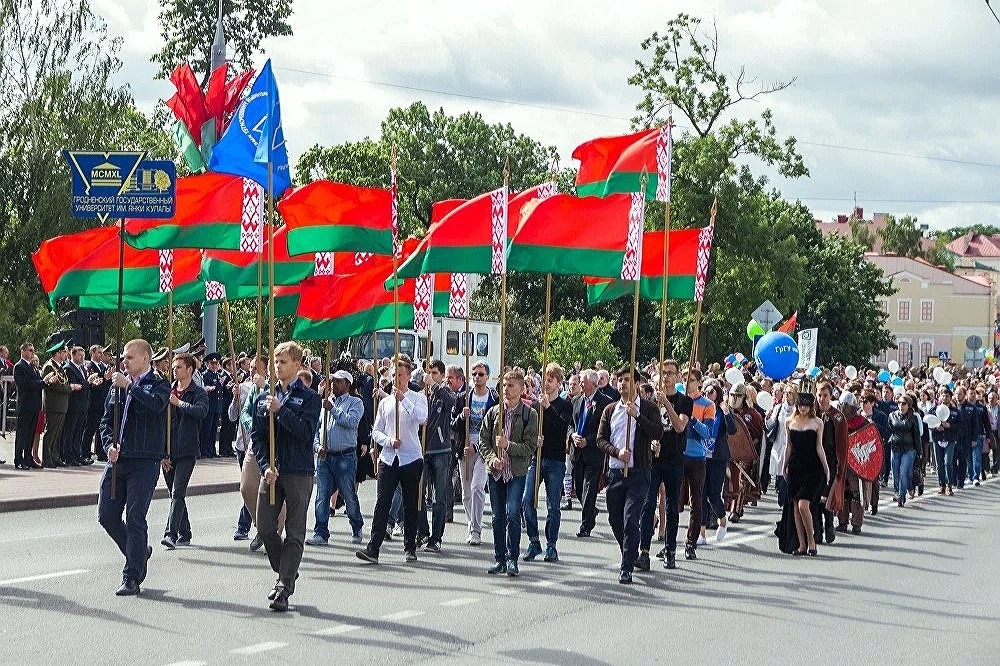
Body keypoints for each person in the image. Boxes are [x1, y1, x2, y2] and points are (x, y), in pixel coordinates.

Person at [251, 341, 321, 612]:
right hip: (272, 472)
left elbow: (305, 432)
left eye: (282, 362)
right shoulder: (263, 398)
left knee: (294, 531)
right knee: (266, 527)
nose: (277, 367)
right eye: (274, 363)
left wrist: (282, 411)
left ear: (297, 364)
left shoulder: (309, 398)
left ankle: (284, 587)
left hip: (298, 471)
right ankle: (287, 570)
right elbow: (257, 437)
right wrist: (265, 464)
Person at [97, 338, 170, 595]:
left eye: (129, 357)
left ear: (145, 360)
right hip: (118, 459)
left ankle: (132, 576)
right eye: (123, 357)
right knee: (106, 515)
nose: (124, 361)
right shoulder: (117, 385)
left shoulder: (159, 384)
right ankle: (138, 551)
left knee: (135, 517)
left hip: (144, 460)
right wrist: (108, 446)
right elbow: (106, 422)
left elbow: (156, 405)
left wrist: (130, 387)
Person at [356, 355, 428, 565]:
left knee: (410, 504)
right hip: (389, 458)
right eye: (395, 374)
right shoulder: (384, 402)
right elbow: (376, 431)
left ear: (408, 376)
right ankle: (373, 548)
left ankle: (409, 548)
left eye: (402, 375)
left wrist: (403, 400)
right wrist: (387, 440)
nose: (397, 378)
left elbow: (421, 418)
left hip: (411, 458)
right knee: (382, 502)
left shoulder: (417, 397)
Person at [597, 366, 662, 584]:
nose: (622, 383)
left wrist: (638, 416)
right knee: (615, 519)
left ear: (635, 382)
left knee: (631, 519)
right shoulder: (610, 410)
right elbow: (600, 439)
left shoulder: (649, 408)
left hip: (639, 472)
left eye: (627, 380)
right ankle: (631, 552)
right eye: (620, 380)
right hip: (616, 472)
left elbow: (658, 432)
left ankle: (626, 568)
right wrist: (617, 452)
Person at [478, 368, 539, 577]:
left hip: (516, 472)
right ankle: (500, 558)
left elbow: (530, 446)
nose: (506, 389)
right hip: (495, 472)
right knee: (497, 517)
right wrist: (491, 458)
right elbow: (483, 441)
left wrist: (508, 445)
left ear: (521, 389)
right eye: (504, 385)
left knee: (513, 512)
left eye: (511, 385)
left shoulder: (529, 414)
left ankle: (513, 558)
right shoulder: (494, 412)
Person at [638, 359, 691, 571]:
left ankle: (670, 550)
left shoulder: (684, 401)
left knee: (671, 506)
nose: (667, 377)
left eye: (671, 373)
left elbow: (679, 426)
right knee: (648, 503)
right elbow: (647, 428)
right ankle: (643, 551)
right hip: (654, 460)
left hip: (674, 459)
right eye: (664, 373)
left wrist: (667, 403)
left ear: (677, 376)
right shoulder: (651, 403)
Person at [307, 369, 365, 547]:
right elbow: (316, 429)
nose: (334, 384)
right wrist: (317, 447)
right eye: (333, 381)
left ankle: (357, 526)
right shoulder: (326, 402)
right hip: (325, 457)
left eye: (339, 381)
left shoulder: (356, 402)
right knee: (322, 496)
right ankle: (321, 532)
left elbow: (351, 422)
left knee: (348, 494)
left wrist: (333, 410)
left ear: (348, 384)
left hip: (345, 457)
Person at [522, 362, 573, 563]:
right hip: (537, 458)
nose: (547, 384)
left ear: (559, 383)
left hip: (556, 460)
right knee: (527, 500)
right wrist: (534, 439)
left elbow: (562, 427)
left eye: (551, 380)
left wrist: (548, 407)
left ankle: (552, 545)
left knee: (553, 505)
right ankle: (534, 541)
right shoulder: (535, 406)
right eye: (545, 380)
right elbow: (529, 431)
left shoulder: (565, 404)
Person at [160, 352, 209, 549]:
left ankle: (170, 534)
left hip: (187, 450)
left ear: (190, 369)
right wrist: (162, 453)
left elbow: (201, 412)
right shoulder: (168, 390)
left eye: (179, 367)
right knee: (174, 493)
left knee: (178, 492)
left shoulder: (198, 393)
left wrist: (178, 403)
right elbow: (160, 422)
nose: (174, 370)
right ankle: (185, 531)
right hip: (169, 451)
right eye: (173, 367)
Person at [777, 388, 830, 556]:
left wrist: (826, 468)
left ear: (811, 406)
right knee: (795, 506)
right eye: (801, 405)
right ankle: (801, 545)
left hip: (812, 467)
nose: (803, 409)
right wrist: (783, 466)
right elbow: (788, 446)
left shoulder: (817, 422)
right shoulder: (789, 422)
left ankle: (812, 541)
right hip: (795, 467)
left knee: (803, 505)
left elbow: (819, 447)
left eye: (807, 406)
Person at [451, 361, 497, 546]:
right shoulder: (463, 397)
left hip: (484, 450)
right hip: (465, 449)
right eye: (474, 374)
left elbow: (497, 428)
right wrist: (463, 416)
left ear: (487, 377)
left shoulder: (494, 399)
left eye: (481, 374)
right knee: (466, 493)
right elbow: (453, 424)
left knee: (478, 487)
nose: (477, 378)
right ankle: (472, 522)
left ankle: (476, 530)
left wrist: (477, 446)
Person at [416, 360, 456, 552]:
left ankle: (436, 537)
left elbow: (452, 401)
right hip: (423, 451)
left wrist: (434, 385)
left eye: (434, 373)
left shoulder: (444, 392)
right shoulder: (422, 394)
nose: (430, 376)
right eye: (428, 372)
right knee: (418, 494)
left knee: (439, 497)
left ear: (440, 375)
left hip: (441, 451)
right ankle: (422, 532)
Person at [570, 369, 613, 538]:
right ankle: (591, 511)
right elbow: (570, 424)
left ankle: (585, 526)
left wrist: (588, 440)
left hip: (594, 453)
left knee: (589, 488)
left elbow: (604, 430)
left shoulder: (605, 403)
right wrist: (572, 435)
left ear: (594, 384)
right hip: (577, 452)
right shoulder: (576, 401)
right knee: (580, 488)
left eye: (583, 381)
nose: (580, 384)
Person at [681, 369, 714, 561]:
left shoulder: (707, 405)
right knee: (672, 501)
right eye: (685, 379)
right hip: (678, 454)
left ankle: (690, 543)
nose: (687, 383)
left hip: (697, 456)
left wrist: (692, 418)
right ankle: (669, 541)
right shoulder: (678, 399)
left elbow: (707, 432)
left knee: (696, 501)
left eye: (691, 380)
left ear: (698, 382)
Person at [700, 383, 736, 545]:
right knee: (701, 494)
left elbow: (732, 430)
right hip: (701, 455)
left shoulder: (722, 410)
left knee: (713, 495)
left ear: (718, 393)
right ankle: (701, 533)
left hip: (718, 456)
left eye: (711, 391)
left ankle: (722, 519)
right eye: (705, 391)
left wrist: (727, 413)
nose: (708, 394)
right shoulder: (701, 407)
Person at [813, 381, 847, 545]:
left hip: (831, 462)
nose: (822, 399)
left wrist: (840, 469)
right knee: (814, 497)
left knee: (825, 497)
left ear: (831, 395)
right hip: (814, 462)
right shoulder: (813, 414)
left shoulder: (838, 417)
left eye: (825, 395)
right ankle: (817, 530)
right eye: (819, 395)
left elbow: (841, 445)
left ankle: (829, 526)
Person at [12, 342, 44, 469]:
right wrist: (42, 382)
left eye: (33, 350)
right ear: (23, 351)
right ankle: (18, 459)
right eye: (30, 350)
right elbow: (25, 384)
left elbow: (37, 383)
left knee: (30, 433)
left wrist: (45, 382)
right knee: (22, 434)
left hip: (34, 405)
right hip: (25, 405)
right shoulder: (19, 366)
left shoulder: (32, 366)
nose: (32, 353)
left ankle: (28, 458)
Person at [41, 340, 72, 468]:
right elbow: (56, 386)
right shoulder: (49, 366)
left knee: (57, 433)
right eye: (64, 352)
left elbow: (63, 382)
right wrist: (70, 388)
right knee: (51, 432)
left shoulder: (59, 366)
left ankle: (54, 456)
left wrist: (67, 387)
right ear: (57, 353)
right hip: (53, 404)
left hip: (61, 404)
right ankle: (47, 458)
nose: (65, 354)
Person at [888, 393, 921, 507]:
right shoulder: (892, 416)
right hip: (895, 448)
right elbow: (889, 431)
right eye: (899, 403)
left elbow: (916, 435)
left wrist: (920, 452)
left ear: (909, 405)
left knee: (904, 472)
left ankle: (901, 496)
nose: (901, 406)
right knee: (896, 473)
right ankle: (897, 492)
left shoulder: (913, 417)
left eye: (904, 403)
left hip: (909, 449)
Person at [767, 385, 797, 508]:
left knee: (788, 476)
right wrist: (767, 418)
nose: (787, 395)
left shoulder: (798, 410)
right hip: (779, 446)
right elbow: (771, 425)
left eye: (790, 392)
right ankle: (783, 499)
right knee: (780, 476)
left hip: (793, 447)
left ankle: (786, 502)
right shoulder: (778, 408)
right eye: (786, 392)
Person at [62, 346, 92, 466]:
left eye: (83, 355)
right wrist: (88, 382)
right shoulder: (69, 368)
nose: (82, 357)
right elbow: (74, 385)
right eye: (80, 355)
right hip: (74, 405)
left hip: (83, 405)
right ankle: (69, 456)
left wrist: (91, 383)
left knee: (79, 432)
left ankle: (76, 454)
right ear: (73, 355)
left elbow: (84, 385)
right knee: (71, 431)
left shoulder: (82, 368)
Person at [84, 345, 112, 462]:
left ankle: (101, 452)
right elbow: (92, 385)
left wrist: (107, 379)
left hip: (102, 401)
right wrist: (104, 378)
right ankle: (84, 451)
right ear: (93, 353)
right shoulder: (90, 366)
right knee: (90, 429)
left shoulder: (102, 366)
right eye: (99, 353)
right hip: (94, 402)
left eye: (101, 353)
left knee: (101, 428)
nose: (101, 355)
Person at [931, 387, 959, 495]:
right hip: (937, 439)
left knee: (948, 462)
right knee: (939, 463)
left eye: (947, 396)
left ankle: (949, 485)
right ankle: (941, 485)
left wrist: (950, 426)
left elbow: (961, 426)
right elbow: (928, 423)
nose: (945, 397)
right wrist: (936, 427)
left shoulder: (955, 411)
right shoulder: (934, 410)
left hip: (950, 439)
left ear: (950, 398)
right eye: (943, 395)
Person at [200, 352, 225, 458]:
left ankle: (212, 450)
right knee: (207, 430)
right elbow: (209, 388)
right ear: (208, 364)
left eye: (216, 363)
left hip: (216, 406)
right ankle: (205, 450)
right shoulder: (205, 375)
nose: (214, 365)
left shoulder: (217, 375)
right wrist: (218, 383)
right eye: (212, 363)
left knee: (214, 430)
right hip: (209, 406)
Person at [217, 357, 238, 457]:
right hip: (226, 405)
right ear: (227, 366)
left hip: (231, 405)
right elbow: (224, 390)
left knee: (231, 428)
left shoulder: (230, 375)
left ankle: (228, 447)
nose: (235, 367)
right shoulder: (223, 375)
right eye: (232, 365)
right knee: (226, 428)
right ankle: (223, 449)